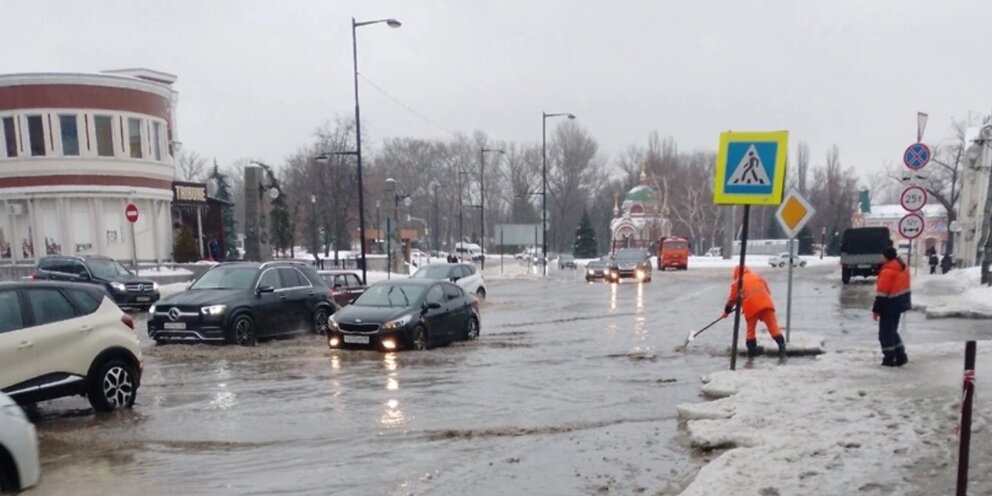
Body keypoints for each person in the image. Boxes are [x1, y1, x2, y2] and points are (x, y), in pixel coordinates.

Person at [722, 265, 787, 360]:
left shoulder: (737, 283)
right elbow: (767, 291)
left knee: (750, 331)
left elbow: (732, 300)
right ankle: (782, 350)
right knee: (774, 328)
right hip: (767, 305)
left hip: (751, 308)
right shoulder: (758, 277)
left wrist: (726, 312)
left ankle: (751, 356)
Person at [872, 247, 911, 367]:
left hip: (889, 305)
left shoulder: (888, 271)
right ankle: (900, 356)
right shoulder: (902, 267)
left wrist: (876, 310)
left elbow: (882, 293)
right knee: (892, 331)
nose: (881, 258)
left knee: (885, 334)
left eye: (882, 256)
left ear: (887, 257)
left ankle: (889, 359)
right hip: (899, 304)